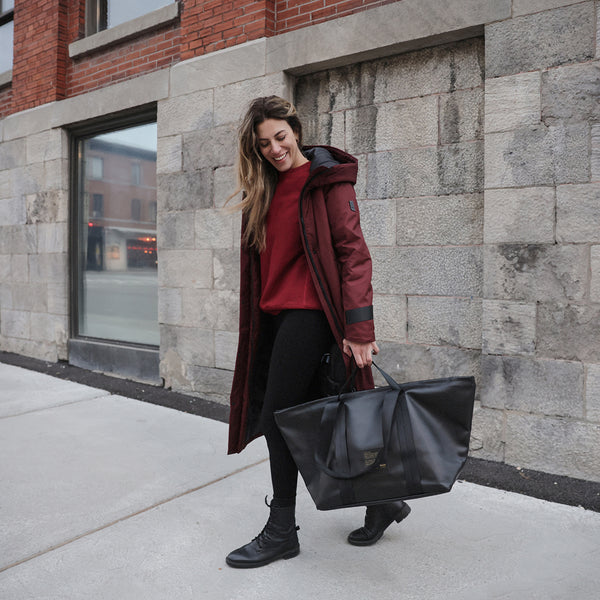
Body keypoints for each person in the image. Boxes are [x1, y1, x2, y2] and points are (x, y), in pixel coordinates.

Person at [225, 95, 410, 568]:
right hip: (276, 318)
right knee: (318, 420)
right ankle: (382, 501)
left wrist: (360, 330)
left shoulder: (326, 180)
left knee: (276, 418)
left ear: (296, 130)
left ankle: (282, 530)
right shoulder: (265, 189)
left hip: (310, 314)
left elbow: (354, 254)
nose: (274, 148)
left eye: (280, 137)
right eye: (264, 143)